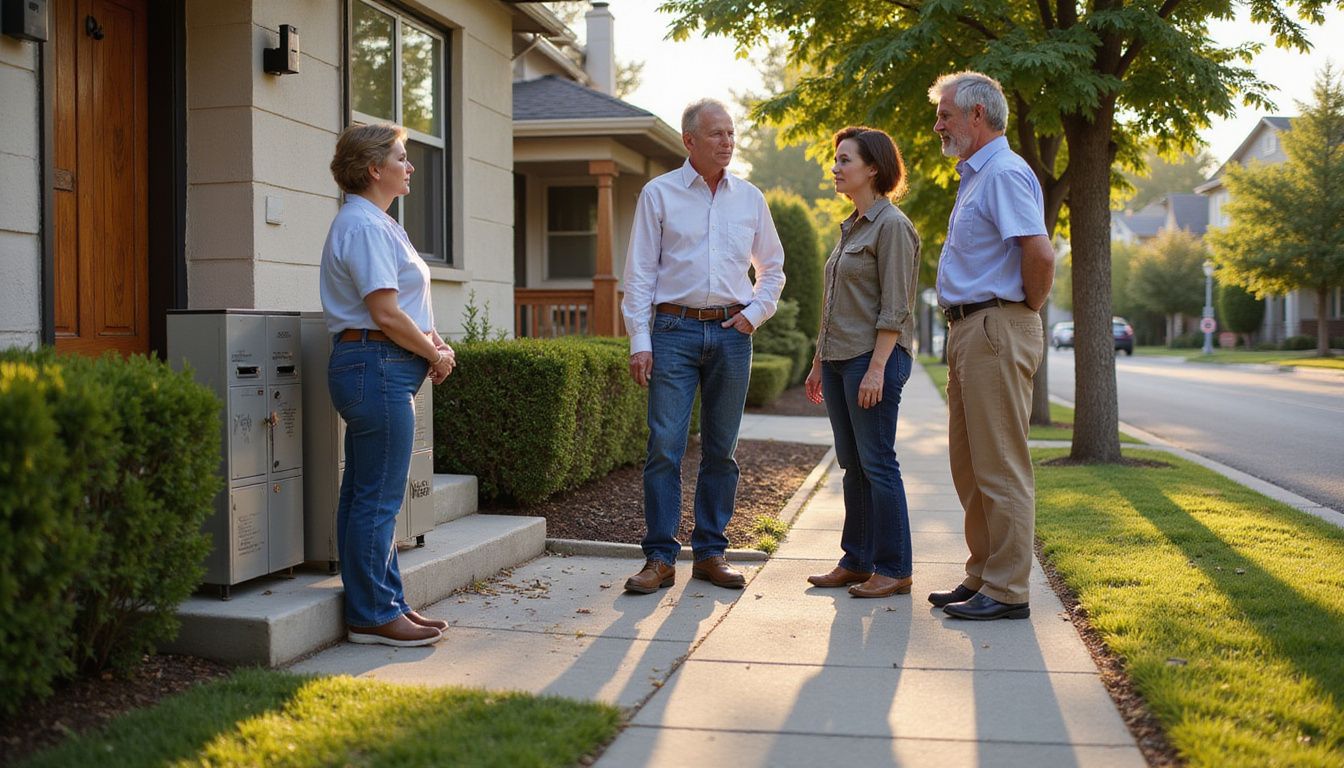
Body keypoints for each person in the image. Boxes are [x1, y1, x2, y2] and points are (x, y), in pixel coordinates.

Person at [620, 98, 787, 594]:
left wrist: (753, 316)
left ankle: (712, 552)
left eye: (731, 133)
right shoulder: (659, 194)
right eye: (717, 134)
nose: (727, 142)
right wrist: (640, 340)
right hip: (672, 331)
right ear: (689, 140)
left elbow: (773, 268)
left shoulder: (750, 198)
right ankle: (660, 558)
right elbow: (640, 274)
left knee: (722, 449)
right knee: (665, 448)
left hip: (732, 335)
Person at [320, 123, 456, 646]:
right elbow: (384, 313)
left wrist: (435, 343)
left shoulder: (380, 223)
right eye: (402, 157)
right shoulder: (364, 227)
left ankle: (385, 602)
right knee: (377, 499)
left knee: (365, 495)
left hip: (380, 365)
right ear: (374, 169)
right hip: (375, 365)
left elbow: (407, 306)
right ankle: (372, 614)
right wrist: (434, 352)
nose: (411, 166)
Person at [926, 72, 1055, 620]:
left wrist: (1022, 312)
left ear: (977, 115)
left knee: (1000, 466)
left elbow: (1040, 255)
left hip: (995, 326)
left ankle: (1007, 591)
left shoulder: (1002, 172)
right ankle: (983, 574)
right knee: (969, 464)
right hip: (969, 330)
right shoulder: (975, 175)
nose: (938, 124)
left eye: (946, 114)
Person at [803, 127, 921, 598]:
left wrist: (876, 369)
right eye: (835, 159)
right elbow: (834, 306)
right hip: (837, 360)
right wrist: (817, 363)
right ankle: (857, 560)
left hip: (870, 362)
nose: (835, 167)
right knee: (853, 465)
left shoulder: (892, 226)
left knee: (878, 463)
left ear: (872, 167)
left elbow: (896, 306)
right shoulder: (852, 226)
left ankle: (894, 568)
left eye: (844, 160)